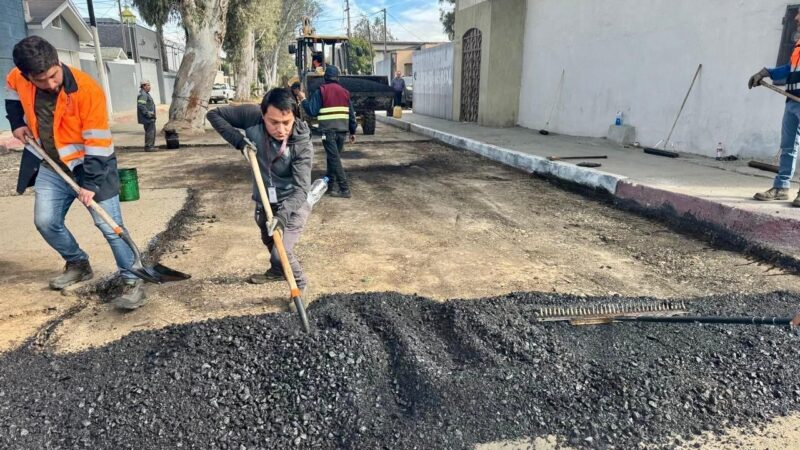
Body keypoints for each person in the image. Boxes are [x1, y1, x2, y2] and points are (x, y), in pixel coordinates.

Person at [5, 36, 146, 309]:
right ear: (27, 76)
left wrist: (90, 184)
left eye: (53, 76)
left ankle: (133, 277)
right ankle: (78, 263)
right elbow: (11, 92)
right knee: (45, 221)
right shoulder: (18, 77)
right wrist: (16, 123)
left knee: (109, 225)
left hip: (90, 164)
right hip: (50, 164)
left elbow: (99, 144)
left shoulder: (86, 90)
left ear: (58, 62)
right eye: (41, 80)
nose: (50, 84)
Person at [206, 89, 313, 308]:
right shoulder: (251, 116)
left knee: (281, 251)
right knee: (267, 238)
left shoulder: (301, 143)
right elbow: (214, 115)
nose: (281, 129)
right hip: (264, 199)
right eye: (273, 122)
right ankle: (276, 272)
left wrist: (282, 216)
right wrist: (239, 142)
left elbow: (302, 189)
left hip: (293, 203)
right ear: (262, 114)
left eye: (286, 122)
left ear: (295, 116)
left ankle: (300, 286)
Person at [750, 9, 800, 206]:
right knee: (787, 146)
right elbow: (789, 69)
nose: (796, 18)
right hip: (791, 102)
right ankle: (781, 187)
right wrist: (767, 72)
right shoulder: (798, 46)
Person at [298, 65, 356, 198]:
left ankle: (344, 188)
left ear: (325, 77)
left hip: (328, 132)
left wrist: (303, 99)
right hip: (342, 131)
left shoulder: (321, 91)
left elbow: (312, 111)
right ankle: (329, 186)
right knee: (333, 159)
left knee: (334, 159)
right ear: (338, 78)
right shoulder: (345, 92)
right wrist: (352, 132)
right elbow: (351, 114)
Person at [137, 80, 156, 152]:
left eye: (149, 85)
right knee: (150, 132)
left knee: (151, 131)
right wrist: (148, 114)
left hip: (149, 117)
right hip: (148, 117)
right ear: (144, 86)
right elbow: (141, 105)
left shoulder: (145, 93)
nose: (149, 87)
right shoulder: (143, 94)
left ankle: (150, 146)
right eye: (148, 85)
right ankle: (149, 147)